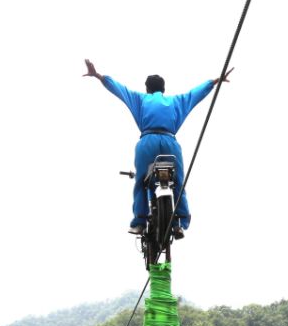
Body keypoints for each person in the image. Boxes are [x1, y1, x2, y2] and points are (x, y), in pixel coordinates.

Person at [84, 60, 232, 237]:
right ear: (164, 89)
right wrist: (215, 81)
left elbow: (119, 90)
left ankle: (139, 222)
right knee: (177, 183)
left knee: (140, 182)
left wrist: (98, 76)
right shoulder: (176, 101)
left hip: (147, 142)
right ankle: (179, 223)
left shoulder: (140, 99)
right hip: (170, 144)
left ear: (147, 89)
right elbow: (195, 94)